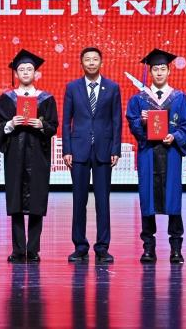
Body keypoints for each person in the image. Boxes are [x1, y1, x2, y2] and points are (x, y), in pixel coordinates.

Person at [125, 48, 186, 264]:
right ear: (150, 71)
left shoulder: (179, 97)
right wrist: (141, 121)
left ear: (169, 71)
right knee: (147, 199)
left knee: (173, 199)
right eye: (155, 69)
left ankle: (176, 248)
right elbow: (132, 123)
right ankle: (148, 248)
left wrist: (175, 136)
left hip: (170, 154)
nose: (159, 72)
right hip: (148, 153)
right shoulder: (139, 99)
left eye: (163, 69)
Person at [0, 49, 59, 262]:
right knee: (16, 201)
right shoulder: (6, 99)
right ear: (16, 73)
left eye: (29, 69)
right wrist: (11, 124)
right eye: (21, 69)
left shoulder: (46, 99)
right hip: (15, 154)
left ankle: (34, 249)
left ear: (35, 73)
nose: (25, 72)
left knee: (37, 200)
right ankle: (18, 249)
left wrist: (41, 125)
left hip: (38, 155)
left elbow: (53, 126)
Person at [62, 46, 123, 264]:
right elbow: (66, 121)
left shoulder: (112, 88)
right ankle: (80, 246)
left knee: (102, 201)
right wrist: (67, 150)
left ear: (101, 62)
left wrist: (115, 149)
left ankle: (102, 247)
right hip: (78, 150)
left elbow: (117, 120)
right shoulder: (72, 87)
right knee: (79, 200)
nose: (91, 63)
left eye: (94, 59)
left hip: (104, 150)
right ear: (81, 63)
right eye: (87, 59)